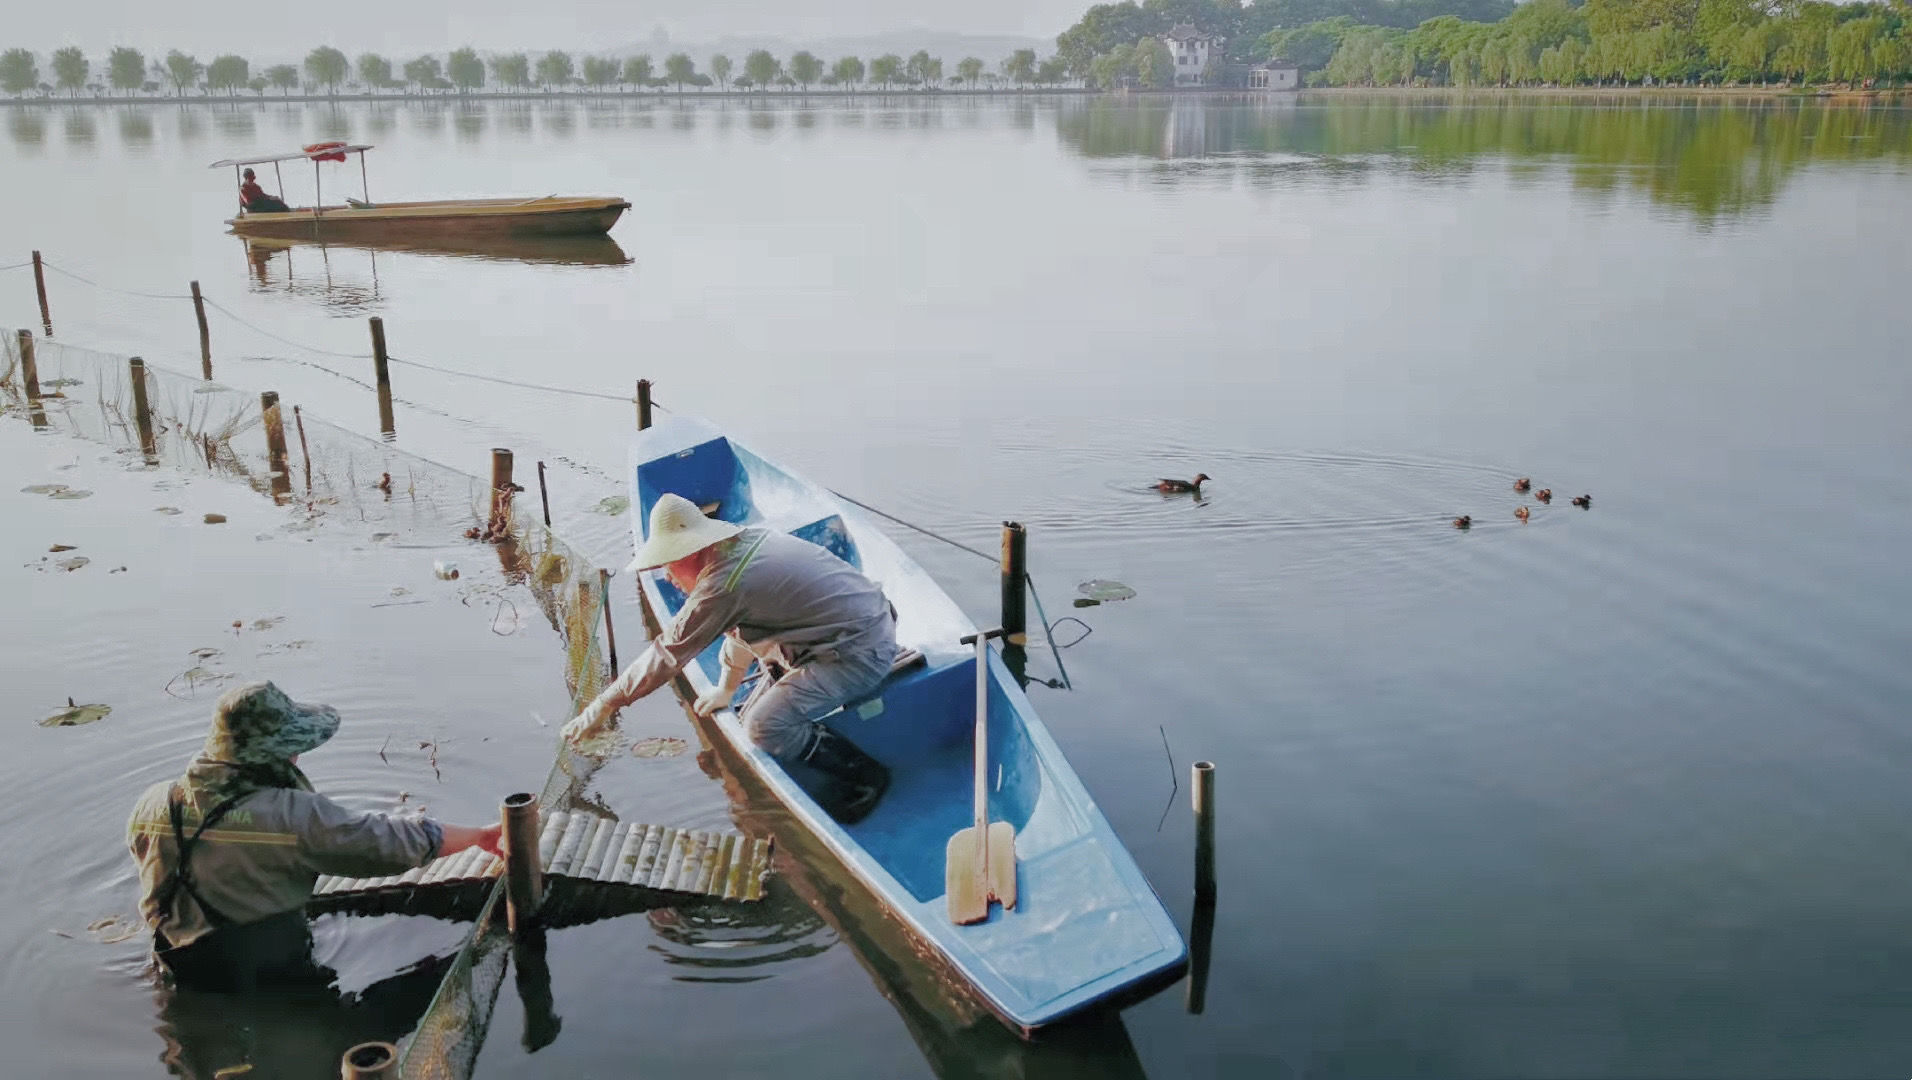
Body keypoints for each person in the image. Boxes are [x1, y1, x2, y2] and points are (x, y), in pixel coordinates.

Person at [128, 681, 502, 992]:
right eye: (292, 750)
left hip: (177, 970)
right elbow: (384, 842)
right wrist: (479, 837)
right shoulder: (288, 816)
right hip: (265, 977)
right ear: (273, 754)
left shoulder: (153, 803)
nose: (297, 758)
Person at [563, 493, 897, 823]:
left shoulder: (723, 585)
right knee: (749, 701)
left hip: (859, 652)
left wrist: (605, 703)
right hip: (861, 624)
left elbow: (667, 653)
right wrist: (725, 690)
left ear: (691, 552)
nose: (666, 575)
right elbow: (740, 629)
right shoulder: (742, 543)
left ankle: (865, 775)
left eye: (668, 562)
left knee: (762, 725)